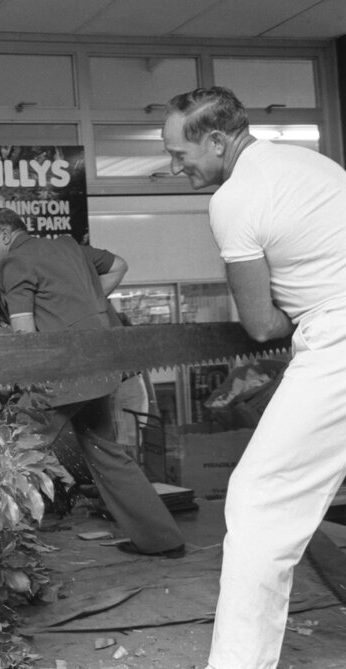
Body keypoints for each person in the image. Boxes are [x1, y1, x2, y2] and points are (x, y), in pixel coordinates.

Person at [163, 86, 346, 669]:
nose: (175, 165)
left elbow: (262, 325)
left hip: (339, 339)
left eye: (180, 152)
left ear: (217, 139)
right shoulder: (311, 163)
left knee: (257, 500)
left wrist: (308, 308)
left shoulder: (235, 198)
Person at [0, 207, 185, 557]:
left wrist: (13, 383)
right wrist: (90, 310)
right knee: (105, 453)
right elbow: (119, 265)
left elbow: (27, 339)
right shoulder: (69, 247)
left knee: (6, 452)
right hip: (101, 369)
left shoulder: (14, 262)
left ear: (5, 235)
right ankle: (163, 540)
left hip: (65, 377)